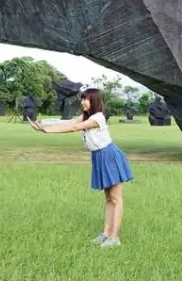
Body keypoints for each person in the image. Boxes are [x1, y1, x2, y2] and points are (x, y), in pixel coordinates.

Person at [29, 88, 133, 248]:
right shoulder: (86, 116)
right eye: (83, 99)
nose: (83, 102)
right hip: (99, 157)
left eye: (87, 99)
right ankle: (106, 234)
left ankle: (115, 237)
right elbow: (68, 122)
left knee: (116, 199)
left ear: (94, 101)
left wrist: (46, 130)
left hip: (109, 156)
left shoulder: (97, 118)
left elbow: (73, 128)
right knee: (108, 199)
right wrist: (43, 124)